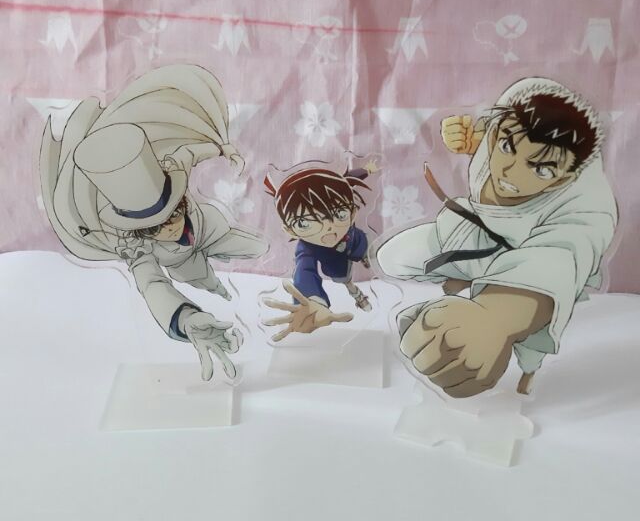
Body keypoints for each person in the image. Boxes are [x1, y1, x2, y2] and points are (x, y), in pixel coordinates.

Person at [374, 77, 618, 397]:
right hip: (471, 233)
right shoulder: (506, 125)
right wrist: (470, 141)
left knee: (529, 350)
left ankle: (526, 377)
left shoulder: (586, 210)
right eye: (506, 148)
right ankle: (465, 278)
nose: (510, 172)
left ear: (565, 178)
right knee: (391, 257)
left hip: (522, 266)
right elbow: (504, 138)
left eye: (541, 169)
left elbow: (558, 257)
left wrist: (495, 319)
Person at [40, 64, 268, 381]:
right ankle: (220, 291)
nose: (169, 225)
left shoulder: (170, 166)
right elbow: (152, 285)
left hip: (212, 228)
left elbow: (189, 152)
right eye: (155, 227)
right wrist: (185, 320)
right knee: (209, 283)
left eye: (172, 211)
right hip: (184, 264)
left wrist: (221, 148)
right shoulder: (135, 247)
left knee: (258, 247)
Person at [261, 163, 379, 341]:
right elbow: (304, 271)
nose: (328, 227)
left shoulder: (352, 230)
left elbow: (349, 179)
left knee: (371, 250)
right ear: (289, 230)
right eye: (304, 223)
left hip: (356, 242)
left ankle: (367, 259)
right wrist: (312, 301)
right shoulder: (307, 248)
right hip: (335, 263)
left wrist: (367, 169)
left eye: (339, 214)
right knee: (346, 280)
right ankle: (357, 295)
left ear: (353, 212)